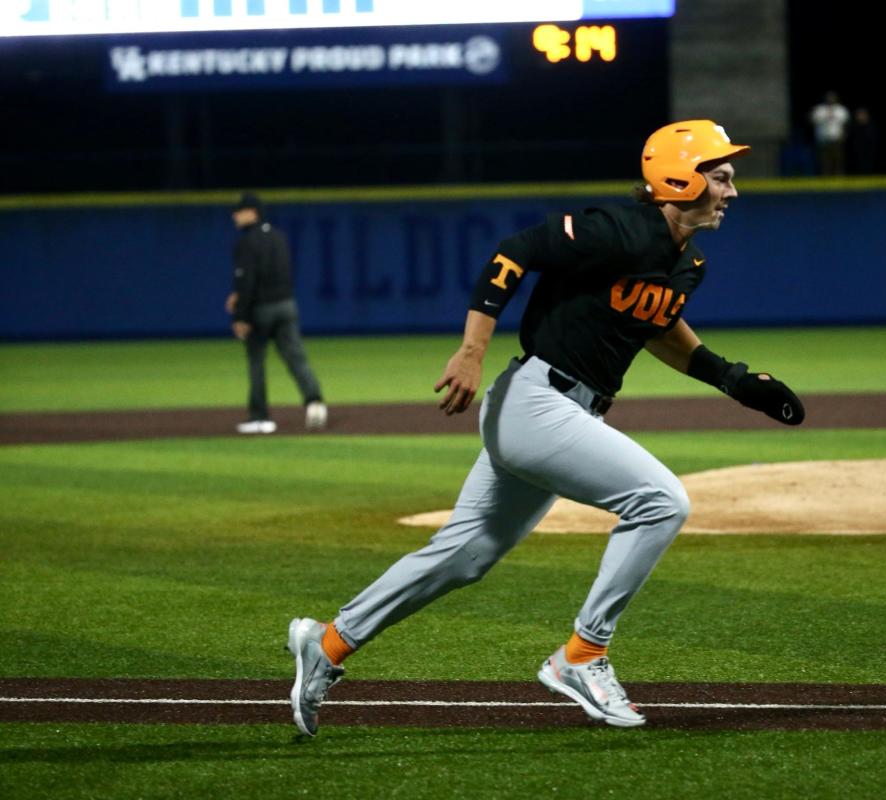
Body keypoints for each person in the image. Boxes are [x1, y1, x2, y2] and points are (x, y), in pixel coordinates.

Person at [284, 120, 804, 735]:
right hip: (537, 402)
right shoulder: (618, 229)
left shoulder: (686, 262)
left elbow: (657, 329)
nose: (732, 191)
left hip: (558, 413)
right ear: (679, 177)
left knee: (464, 555)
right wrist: (472, 349)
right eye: (721, 177)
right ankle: (584, 655)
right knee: (661, 501)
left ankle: (331, 642)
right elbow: (515, 252)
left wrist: (734, 380)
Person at [225, 192, 327, 434]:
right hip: (286, 305)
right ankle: (315, 403)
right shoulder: (279, 237)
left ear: (252, 212)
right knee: (296, 358)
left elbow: (247, 281)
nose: (235, 215)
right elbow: (277, 273)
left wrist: (240, 316)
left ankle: (260, 417)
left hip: (261, 309)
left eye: (239, 211)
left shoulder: (247, 241)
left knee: (256, 361)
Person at [809, 91, 850, 176]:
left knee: (837, 159)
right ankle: (825, 177)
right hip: (823, 138)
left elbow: (846, 123)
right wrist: (825, 117)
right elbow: (813, 121)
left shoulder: (840, 110)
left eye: (832, 97)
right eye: (829, 97)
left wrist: (844, 135)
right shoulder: (819, 109)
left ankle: (839, 177)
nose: (830, 99)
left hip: (836, 138)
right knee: (824, 160)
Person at [848, 107, 879, 175]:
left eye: (862, 114)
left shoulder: (871, 125)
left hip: (869, 149)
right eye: (859, 115)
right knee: (858, 163)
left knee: (868, 163)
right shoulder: (854, 126)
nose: (860, 116)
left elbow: (873, 138)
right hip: (857, 149)